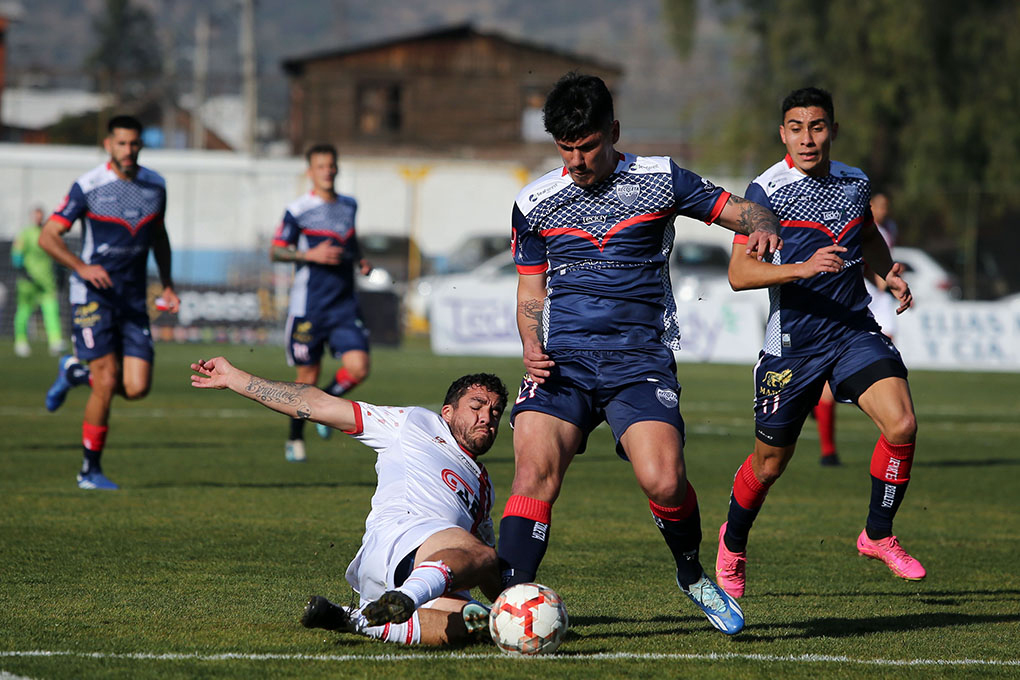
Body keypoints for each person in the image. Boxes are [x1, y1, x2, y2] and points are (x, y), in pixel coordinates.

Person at [496, 72, 782, 636]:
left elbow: (741, 211)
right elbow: (532, 290)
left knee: (665, 482)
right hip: (564, 363)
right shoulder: (533, 203)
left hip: (640, 360)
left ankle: (693, 574)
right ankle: (510, 600)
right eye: (566, 149)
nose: (577, 161)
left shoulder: (661, 179)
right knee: (533, 473)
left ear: (614, 131)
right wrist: (532, 345)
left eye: (588, 146)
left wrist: (765, 221)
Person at [715, 87, 924, 602]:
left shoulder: (855, 183)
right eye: (795, 127)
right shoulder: (764, 191)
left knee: (901, 424)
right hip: (794, 345)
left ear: (832, 129)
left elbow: (868, 236)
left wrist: (886, 275)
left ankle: (877, 534)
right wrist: (802, 268)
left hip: (853, 329)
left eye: (817, 127)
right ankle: (732, 543)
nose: (807, 138)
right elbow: (740, 274)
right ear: (782, 132)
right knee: (770, 464)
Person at [189, 355, 507, 646]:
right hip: (400, 542)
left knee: (488, 624)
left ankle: (356, 619)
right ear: (448, 412)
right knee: (482, 554)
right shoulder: (414, 424)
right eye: (476, 406)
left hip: (417, 574)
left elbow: (485, 570)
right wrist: (236, 378)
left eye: (494, 412)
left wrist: (518, 607)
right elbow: (318, 404)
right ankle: (405, 598)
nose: (486, 418)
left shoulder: (483, 486)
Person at [40, 115, 179, 490]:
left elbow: (159, 237)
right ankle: (89, 471)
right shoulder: (88, 186)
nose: (128, 150)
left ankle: (73, 373)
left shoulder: (155, 185)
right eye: (121, 143)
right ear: (108, 145)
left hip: (133, 299)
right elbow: (48, 237)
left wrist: (167, 284)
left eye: (134, 143)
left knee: (136, 387)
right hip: (93, 296)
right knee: (106, 380)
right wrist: (82, 268)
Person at [270, 143, 372, 463]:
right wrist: (308, 255)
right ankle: (295, 439)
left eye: (331, 165)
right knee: (306, 380)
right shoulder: (298, 209)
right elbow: (276, 250)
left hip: (343, 306)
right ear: (309, 171)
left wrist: (360, 259)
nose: (327, 171)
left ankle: (326, 403)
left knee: (359, 367)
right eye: (320, 166)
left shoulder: (349, 205)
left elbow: (350, 238)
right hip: (309, 307)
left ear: (337, 168)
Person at [810, 192, 899, 467]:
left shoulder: (889, 229)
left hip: (879, 300)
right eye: (879, 205)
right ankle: (828, 451)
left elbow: (877, 261)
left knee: (886, 364)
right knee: (832, 382)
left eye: (886, 205)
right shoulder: (855, 223)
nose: (883, 210)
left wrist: (889, 277)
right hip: (855, 301)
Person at [11, 206, 65, 357]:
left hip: (47, 281)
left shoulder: (48, 232)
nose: (38, 219)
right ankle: (21, 341)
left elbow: (57, 254)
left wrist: (60, 274)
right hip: (29, 282)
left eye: (40, 216)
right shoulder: (25, 234)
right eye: (36, 216)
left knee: (51, 311)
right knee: (24, 311)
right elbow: (17, 254)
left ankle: (55, 341)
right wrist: (23, 271)